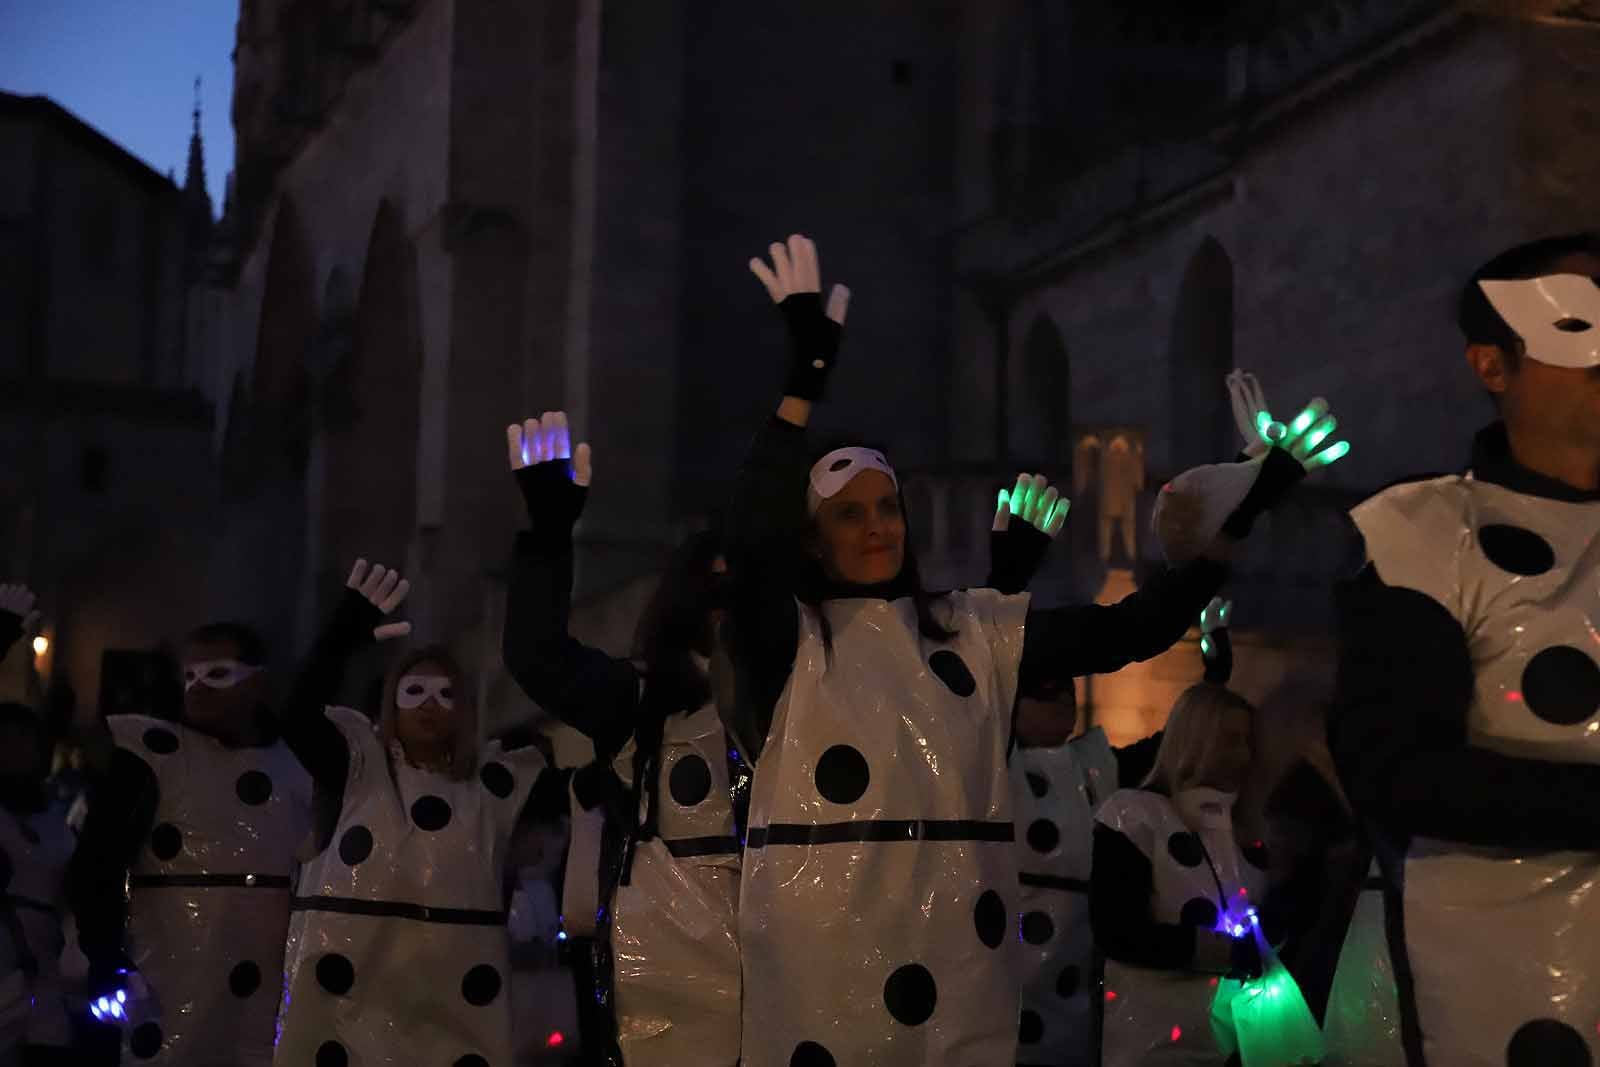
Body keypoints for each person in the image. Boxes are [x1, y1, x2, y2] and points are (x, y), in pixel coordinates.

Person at [719, 234, 1303, 1065]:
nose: (878, 525)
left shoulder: (971, 630)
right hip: (825, 975)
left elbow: (1126, 630)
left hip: (962, 978)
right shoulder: (795, 644)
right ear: (812, 542)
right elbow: (744, 545)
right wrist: (803, 382)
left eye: (887, 506)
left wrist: (1235, 521)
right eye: (849, 513)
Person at [1329, 232, 1600, 1067]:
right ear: (1493, 366)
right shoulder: (1421, 538)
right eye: (1577, 324)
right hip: (1491, 979)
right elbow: (1398, 767)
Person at [502, 414, 742, 1066]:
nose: (728, 606)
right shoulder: (639, 703)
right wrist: (549, 536)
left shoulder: (802, 702)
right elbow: (538, 654)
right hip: (665, 992)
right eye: (714, 587)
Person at [271, 560, 571, 1067]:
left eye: (444, 693)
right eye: (414, 692)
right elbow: (298, 715)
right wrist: (343, 632)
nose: (429, 704)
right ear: (392, 702)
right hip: (349, 1019)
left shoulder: (493, 788)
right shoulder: (357, 770)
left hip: (451, 1023)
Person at [67, 619, 312, 1066]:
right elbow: (95, 866)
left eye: (217, 674)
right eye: (191, 676)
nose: (198, 687)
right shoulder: (150, 757)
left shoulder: (295, 766)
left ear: (257, 681)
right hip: (166, 984)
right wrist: (106, 959)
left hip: (265, 995)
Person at [1091, 682, 1315, 1067]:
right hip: (1151, 1045)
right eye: (1229, 740)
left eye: (1247, 741)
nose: (1242, 755)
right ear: (1194, 739)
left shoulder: (1252, 835)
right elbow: (1119, 930)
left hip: (1235, 1046)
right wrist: (1230, 953)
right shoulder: (1133, 816)